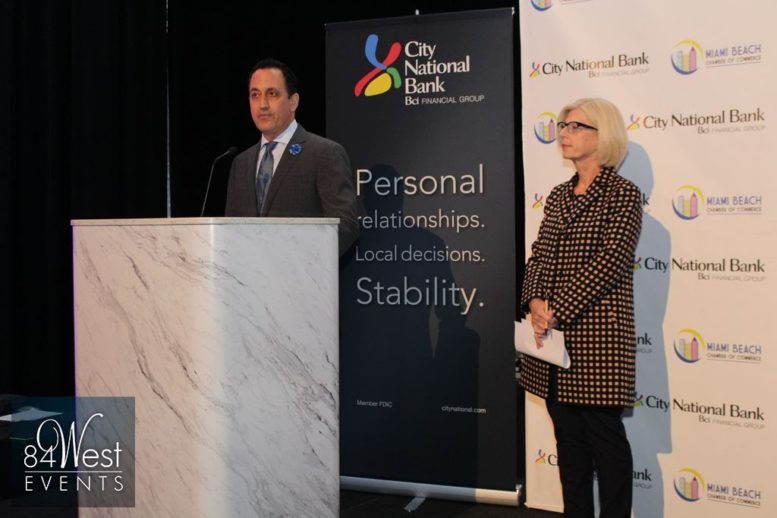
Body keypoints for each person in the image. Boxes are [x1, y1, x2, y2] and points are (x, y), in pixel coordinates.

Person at [520, 98, 642, 518]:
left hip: (599, 340)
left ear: (603, 135)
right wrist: (535, 301)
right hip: (553, 342)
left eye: (576, 126)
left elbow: (611, 261)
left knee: (606, 445)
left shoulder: (623, 194)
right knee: (569, 446)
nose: (564, 133)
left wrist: (557, 308)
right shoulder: (558, 195)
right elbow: (539, 256)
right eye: (563, 126)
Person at [225, 58, 359, 256]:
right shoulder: (241, 163)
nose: (262, 104)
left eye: (272, 94)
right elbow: (230, 231)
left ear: (293, 102)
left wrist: (299, 262)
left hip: (302, 273)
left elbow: (345, 226)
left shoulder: (324, 154)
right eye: (255, 95)